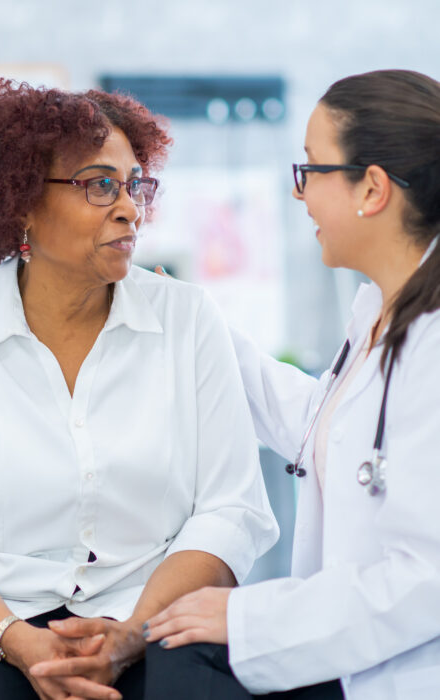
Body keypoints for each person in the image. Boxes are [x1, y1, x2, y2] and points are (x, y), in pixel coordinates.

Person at [0, 79, 279, 700]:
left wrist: (133, 632)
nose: (130, 207)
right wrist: (15, 637)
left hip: (151, 614)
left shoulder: (188, 319)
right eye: (100, 184)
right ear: (19, 203)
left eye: (136, 184)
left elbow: (230, 509)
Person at [126, 70, 440, 699]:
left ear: (372, 188)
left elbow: (426, 579)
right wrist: (196, 320)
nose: (300, 194)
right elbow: (318, 426)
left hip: (404, 671)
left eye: (311, 169)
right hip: (354, 651)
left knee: (181, 652)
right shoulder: (382, 313)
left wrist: (253, 619)